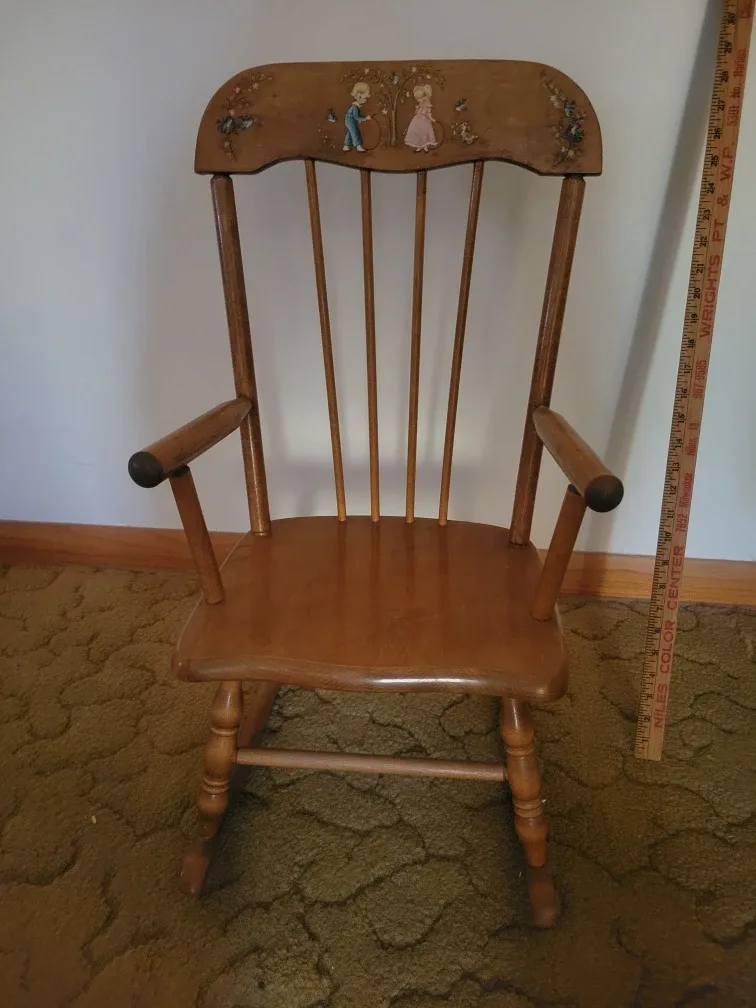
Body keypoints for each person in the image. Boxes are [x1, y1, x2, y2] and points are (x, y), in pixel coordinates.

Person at [405, 84, 437, 152]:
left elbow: (428, 114)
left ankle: (425, 147)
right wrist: (417, 108)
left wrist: (431, 119)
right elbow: (416, 113)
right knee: (417, 133)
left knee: (424, 134)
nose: (419, 101)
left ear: (425, 98)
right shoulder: (419, 107)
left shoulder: (427, 107)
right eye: (418, 100)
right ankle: (419, 146)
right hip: (417, 121)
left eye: (420, 99)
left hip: (424, 122)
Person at [344, 82, 371, 152]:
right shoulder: (355, 107)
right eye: (365, 98)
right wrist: (365, 118)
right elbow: (356, 117)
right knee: (355, 132)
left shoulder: (356, 106)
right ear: (359, 96)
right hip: (351, 121)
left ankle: (346, 146)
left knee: (350, 132)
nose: (366, 100)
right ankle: (358, 146)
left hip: (349, 120)